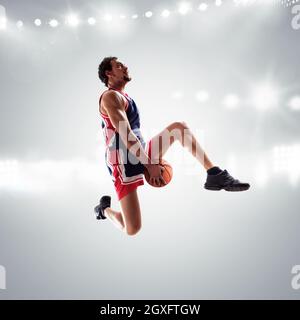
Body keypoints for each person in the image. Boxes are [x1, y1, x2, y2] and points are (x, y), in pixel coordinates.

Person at [94, 56, 250, 236]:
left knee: (179, 128)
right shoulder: (110, 96)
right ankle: (104, 210)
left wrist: (147, 161)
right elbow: (126, 135)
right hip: (122, 161)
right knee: (132, 229)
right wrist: (151, 164)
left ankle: (215, 174)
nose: (125, 67)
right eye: (119, 66)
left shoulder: (124, 96)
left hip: (139, 150)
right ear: (109, 73)